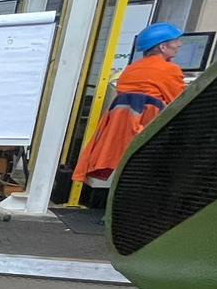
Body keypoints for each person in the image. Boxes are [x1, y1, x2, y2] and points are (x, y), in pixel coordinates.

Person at [73, 23, 187, 183]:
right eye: (175, 41)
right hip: (150, 137)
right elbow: (181, 102)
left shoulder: (130, 69)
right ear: (162, 47)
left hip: (125, 137)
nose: (179, 44)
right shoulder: (169, 70)